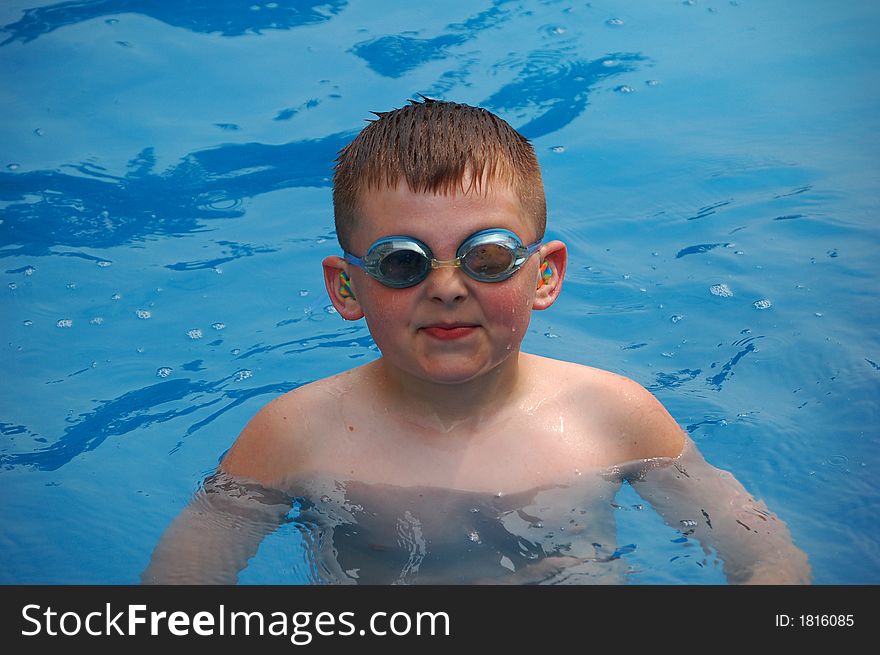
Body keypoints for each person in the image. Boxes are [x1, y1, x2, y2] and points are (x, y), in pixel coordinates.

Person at [142, 98, 810, 584]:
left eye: (485, 255)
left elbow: (767, 554)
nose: (448, 287)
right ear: (348, 289)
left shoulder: (614, 415)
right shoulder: (292, 433)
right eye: (404, 261)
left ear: (544, 274)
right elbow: (178, 592)